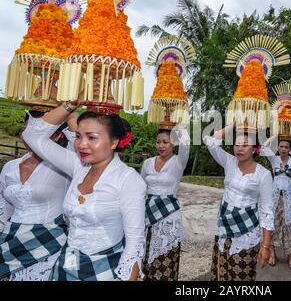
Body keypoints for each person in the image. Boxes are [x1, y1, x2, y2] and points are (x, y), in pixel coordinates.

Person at [21, 102, 146, 281]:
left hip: (105, 269)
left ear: (114, 142)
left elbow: (135, 243)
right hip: (68, 262)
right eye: (78, 136)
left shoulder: (128, 180)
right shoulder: (78, 167)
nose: (81, 144)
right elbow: (32, 135)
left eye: (92, 137)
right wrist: (71, 103)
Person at [0, 110, 74, 281]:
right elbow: (4, 209)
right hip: (11, 241)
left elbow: (78, 139)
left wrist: (67, 107)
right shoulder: (10, 167)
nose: (31, 138)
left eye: (44, 132)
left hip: (50, 243)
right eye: (28, 131)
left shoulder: (67, 166)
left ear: (57, 136)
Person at [204, 125, 274, 281]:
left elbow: (267, 210)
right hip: (223, 230)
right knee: (220, 273)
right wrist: (234, 124)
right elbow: (209, 141)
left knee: (241, 276)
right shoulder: (229, 162)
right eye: (236, 144)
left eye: (245, 145)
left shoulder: (263, 174)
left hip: (246, 234)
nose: (239, 149)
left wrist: (266, 246)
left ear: (255, 149)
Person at [141, 126, 190, 281]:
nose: (161, 146)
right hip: (147, 215)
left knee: (165, 259)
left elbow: (186, 145)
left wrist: (180, 127)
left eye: (165, 142)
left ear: (174, 143)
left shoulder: (178, 162)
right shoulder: (148, 163)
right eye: (158, 142)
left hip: (168, 217)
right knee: (145, 255)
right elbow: (140, 188)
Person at [261, 135, 291, 270]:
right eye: (281, 146)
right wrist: (275, 135)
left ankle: (290, 256)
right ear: (278, 148)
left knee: (288, 227)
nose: (283, 149)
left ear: (290, 149)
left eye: (286, 147)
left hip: (289, 199)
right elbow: (264, 147)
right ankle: (272, 253)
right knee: (273, 225)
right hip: (274, 198)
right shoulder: (274, 159)